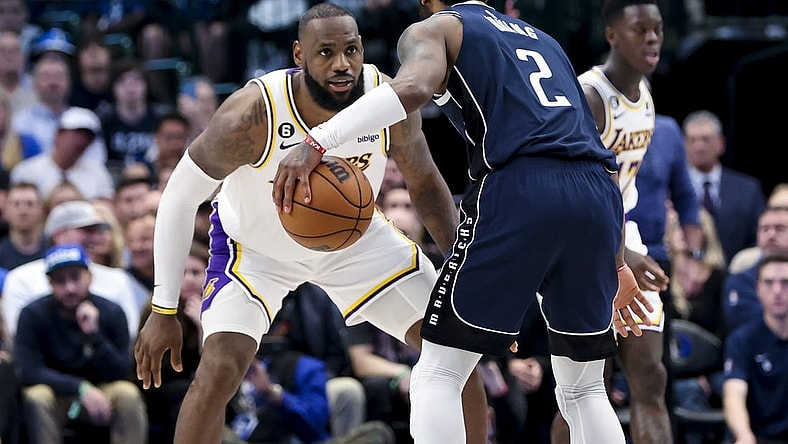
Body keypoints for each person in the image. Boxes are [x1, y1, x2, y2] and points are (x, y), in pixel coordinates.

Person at [271, 1, 653, 443]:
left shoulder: (439, 27)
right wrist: (616, 261)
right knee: (585, 387)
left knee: (438, 369)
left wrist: (320, 139)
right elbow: (594, 151)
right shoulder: (544, 41)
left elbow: (411, 88)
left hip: (521, 185)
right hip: (599, 197)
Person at [133, 4, 488, 444]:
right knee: (221, 367)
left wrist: (466, 272)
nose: (342, 64)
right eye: (326, 53)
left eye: (351, 50)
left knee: (454, 345)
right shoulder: (252, 114)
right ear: (299, 55)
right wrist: (164, 308)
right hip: (255, 250)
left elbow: (427, 186)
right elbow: (179, 197)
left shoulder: (385, 98)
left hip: (355, 243)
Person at [562, 2, 673, 442]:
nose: (652, 38)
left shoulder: (644, 93)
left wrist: (629, 247)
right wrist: (621, 255)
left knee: (651, 377)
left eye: (658, 29)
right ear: (612, 35)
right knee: (590, 390)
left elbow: (618, 191)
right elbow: (571, 193)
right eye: (640, 29)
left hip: (621, 234)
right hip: (580, 244)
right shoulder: (590, 97)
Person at [15, 243, 148, 444]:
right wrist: (80, 388)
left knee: (127, 394)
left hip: (103, 392)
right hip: (57, 393)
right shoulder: (33, 314)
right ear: (50, 284)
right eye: (60, 281)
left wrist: (94, 335)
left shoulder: (111, 312)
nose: (69, 288)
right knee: (37, 396)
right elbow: (29, 370)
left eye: (75, 277)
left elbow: (122, 370)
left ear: (89, 277)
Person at [683, 109, 766, 265]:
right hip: (682, 282)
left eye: (705, 139)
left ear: (720, 144)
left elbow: (759, 239)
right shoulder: (670, 189)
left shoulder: (748, 190)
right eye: (692, 140)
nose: (699, 147)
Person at [722, 252, 788, 443]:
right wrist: (744, 435)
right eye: (769, 282)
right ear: (757, 289)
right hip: (756, 437)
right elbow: (734, 393)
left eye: (785, 282)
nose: (777, 290)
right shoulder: (741, 340)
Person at [723, 206, 788, 335]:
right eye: (765, 229)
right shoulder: (739, 281)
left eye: (780, 229)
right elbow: (743, 322)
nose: (771, 235)